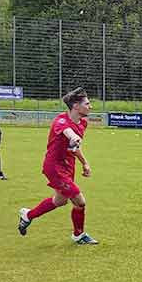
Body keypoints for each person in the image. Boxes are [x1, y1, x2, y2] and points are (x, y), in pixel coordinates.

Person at [17, 87, 98, 245]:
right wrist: (74, 137)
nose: (90, 107)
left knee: (60, 201)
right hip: (54, 167)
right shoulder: (60, 121)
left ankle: (28, 215)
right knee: (80, 201)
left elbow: (73, 147)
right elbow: (69, 133)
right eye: (87, 103)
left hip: (68, 166)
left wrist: (84, 163)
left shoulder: (83, 123)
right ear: (75, 106)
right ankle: (78, 235)